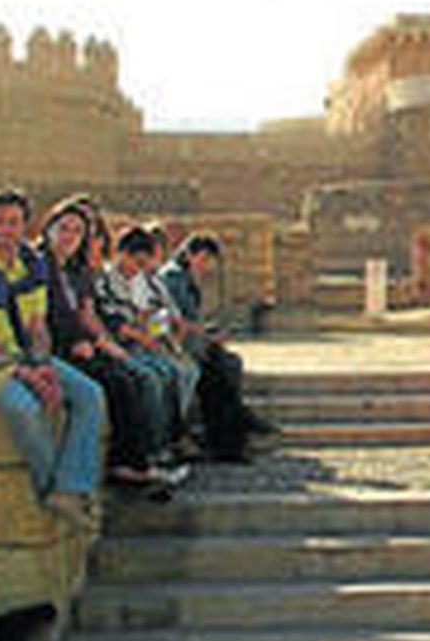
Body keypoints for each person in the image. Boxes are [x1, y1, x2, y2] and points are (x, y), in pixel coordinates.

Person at [0, 188, 104, 530]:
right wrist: (26, 373)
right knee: (24, 407)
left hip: (18, 356)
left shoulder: (31, 263)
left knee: (89, 394)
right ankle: (49, 489)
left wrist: (42, 364)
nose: (6, 230)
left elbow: (37, 326)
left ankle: (71, 486)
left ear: (26, 226)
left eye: (13, 223)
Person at [35, 198, 170, 492]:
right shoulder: (37, 266)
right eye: (63, 229)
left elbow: (87, 314)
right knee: (115, 385)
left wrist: (104, 344)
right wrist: (78, 343)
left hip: (83, 344)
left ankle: (139, 459)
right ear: (48, 230)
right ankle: (123, 466)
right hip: (55, 349)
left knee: (128, 376)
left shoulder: (75, 271)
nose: (69, 236)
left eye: (76, 231)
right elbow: (42, 318)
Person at [158, 233, 278, 460]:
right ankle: (235, 432)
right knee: (219, 375)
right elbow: (174, 320)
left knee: (229, 366)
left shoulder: (186, 277)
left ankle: (236, 430)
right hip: (178, 347)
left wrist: (207, 333)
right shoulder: (174, 278)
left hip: (192, 343)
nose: (204, 267)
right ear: (188, 254)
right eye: (202, 260)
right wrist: (204, 335)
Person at [98, 226, 202, 461]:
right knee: (159, 376)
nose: (139, 269)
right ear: (121, 254)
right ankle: (157, 443)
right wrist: (141, 328)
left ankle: (170, 434)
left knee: (185, 372)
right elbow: (113, 321)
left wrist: (162, 327)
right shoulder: (104, 280)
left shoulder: (142, 280)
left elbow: (157, 314)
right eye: (137, 262)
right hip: (121, 346)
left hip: (147, 342)